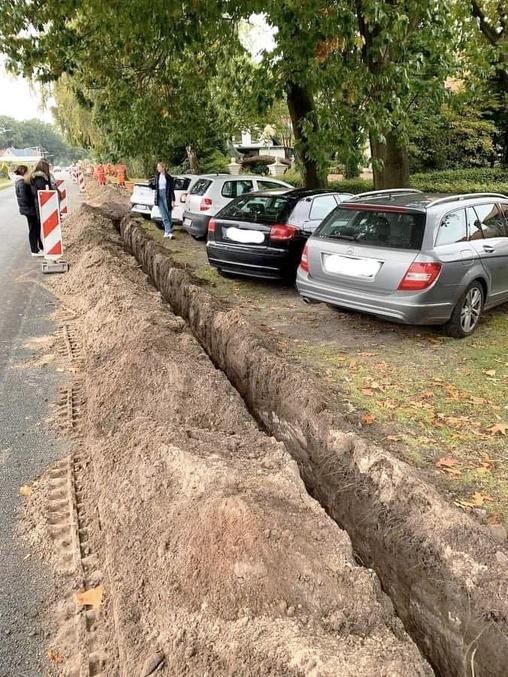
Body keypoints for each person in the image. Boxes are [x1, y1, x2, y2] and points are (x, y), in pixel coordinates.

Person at [13, 165, 44, 256]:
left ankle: (37, 248)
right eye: (28, 171)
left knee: (34, 228)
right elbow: (24, 197)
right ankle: (34, 250)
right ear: (24, 172)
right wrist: (33, 200)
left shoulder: (19, 181)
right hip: (29, 209)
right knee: (33, 229)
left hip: (27, 209)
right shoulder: (22, 182)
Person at [149, 162, 176, 239]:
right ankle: (169, 232)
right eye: (157, 167)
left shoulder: (169, 177)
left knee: (168, 214)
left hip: (166, 195)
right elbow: (155, 187)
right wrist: (151, 185)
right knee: (163, 214)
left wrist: (173, 200)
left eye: (159, 167)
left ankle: (167, 232)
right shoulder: (157, 176)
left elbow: (171, 190)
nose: (158, 169)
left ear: (163, 168)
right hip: (159, 196)